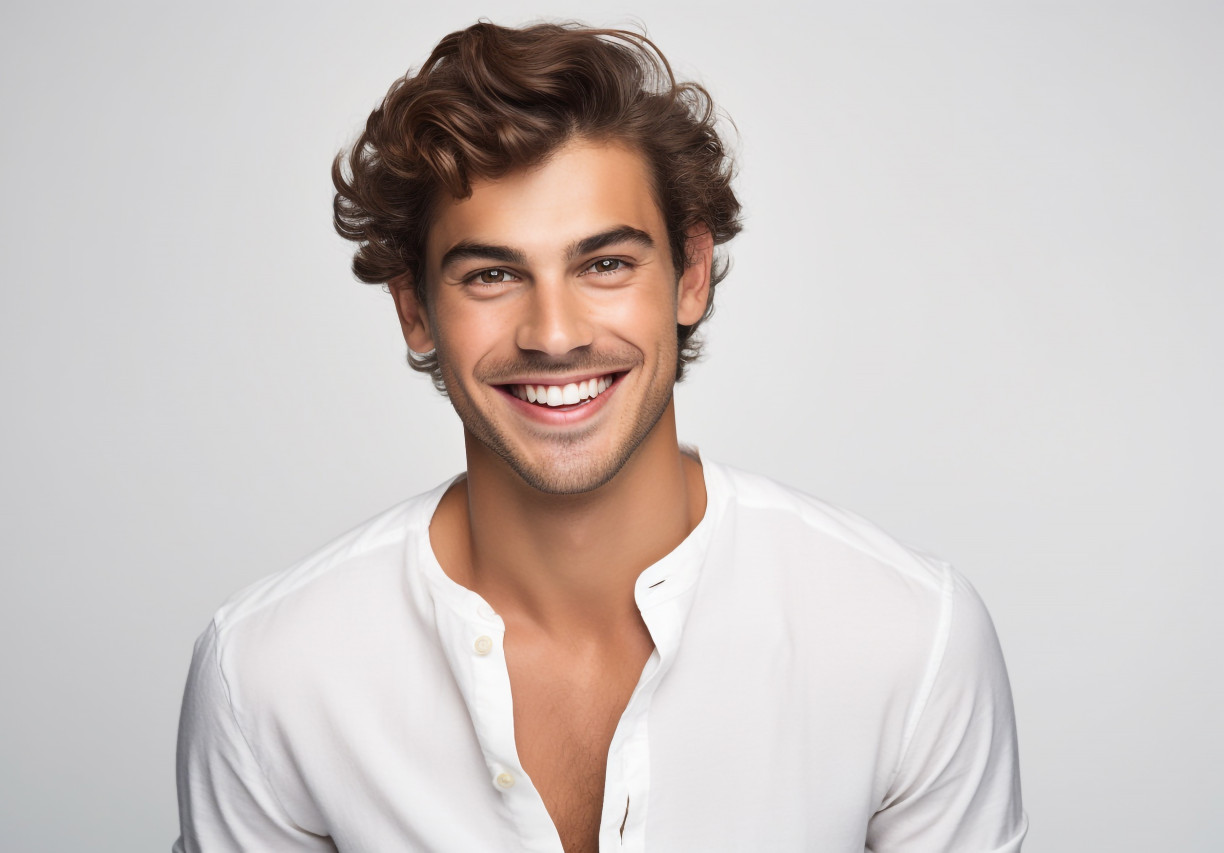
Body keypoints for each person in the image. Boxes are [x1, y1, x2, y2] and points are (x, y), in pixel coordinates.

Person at [174, 21, 1027, 853]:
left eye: (606, 263)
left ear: (689, 275)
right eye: (493, 274)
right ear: (414, 310)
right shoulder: (270, 677)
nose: (553, 333)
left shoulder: (908, 640)